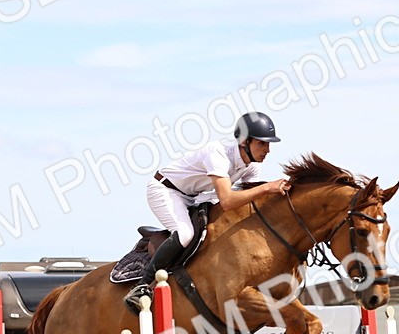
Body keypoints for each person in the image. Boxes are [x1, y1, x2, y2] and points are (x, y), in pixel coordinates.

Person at [124, 111, 291, 313]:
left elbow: (247, 201)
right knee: (186, 234)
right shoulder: (218, 153)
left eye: (269, 144)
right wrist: (267, 188)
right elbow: (228, 200)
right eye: (262, 144)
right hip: (165, 190)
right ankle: (141, 286)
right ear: (244, 142)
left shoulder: (251, 166)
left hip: (196, 195)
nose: (268, 150)